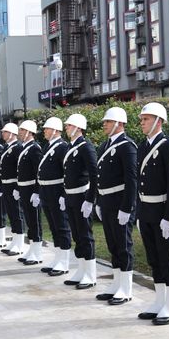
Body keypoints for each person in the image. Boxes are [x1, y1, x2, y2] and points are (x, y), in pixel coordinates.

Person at [135, 103, 169, 324]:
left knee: (167, 259)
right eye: (142, 119)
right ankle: (160, 301)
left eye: (146, 119)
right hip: (146, 211)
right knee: (154, 259)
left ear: (158, 121)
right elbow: (139, 182)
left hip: (162, 210)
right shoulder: (143, 146)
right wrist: (138, 212)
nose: (142, 123)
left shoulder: (168, 146)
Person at [93, 107, 138, 302]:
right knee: (112, 245)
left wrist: (127, 207)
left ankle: (126, 288)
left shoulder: (127, 146)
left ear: (119, 123)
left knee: (123, 245)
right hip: (107, 201)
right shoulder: (104, 146)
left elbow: (132, 179)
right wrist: (98, 201)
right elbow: (99, 177)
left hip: (120, 202)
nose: (104, 124)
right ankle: (116, 283)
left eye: (108, 122)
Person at [55, 113, 98, 283]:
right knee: (77, 236)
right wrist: (65, 195)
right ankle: (81, 270)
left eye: (68, 125)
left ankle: (90, 274)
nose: (66, 128)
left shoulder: (85, 146)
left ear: (78, 127)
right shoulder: (69, 147)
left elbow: (94, 175)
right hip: (71, 196)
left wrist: (90, 199)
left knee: (85, 235)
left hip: (82, 197)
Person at [29, 117, 71, 269]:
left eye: (47, 129)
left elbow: (67, 173)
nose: (44, 131)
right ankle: (58, 258)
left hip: (57, 190)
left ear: (55, 130)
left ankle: (64, 262)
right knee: (53, 227)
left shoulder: (62, 147)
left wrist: (63, 194)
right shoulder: (47, 146)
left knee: (62, 226)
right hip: (46, 190)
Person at [16, 120, 44, 264]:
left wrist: (36, 192)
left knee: (34, 221)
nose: (19, 133)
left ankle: (38, 252)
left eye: (22, 130)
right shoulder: (24, 148)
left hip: (31, 189)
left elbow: (38, 172)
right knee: (29, 220)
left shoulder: (34, 148)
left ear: (29, 132)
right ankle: (32, 249)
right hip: (24, 188)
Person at [0, 123, 26, 256]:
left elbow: (19, 169)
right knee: (11, 213)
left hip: (14, 184)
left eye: (5, 132)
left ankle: (20, 243)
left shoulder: (17, 147)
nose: (2, 134)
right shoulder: (6, 147)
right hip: (6, 185)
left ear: (12, 134)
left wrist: (17, 188)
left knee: (17, 214)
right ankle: (15, 240)